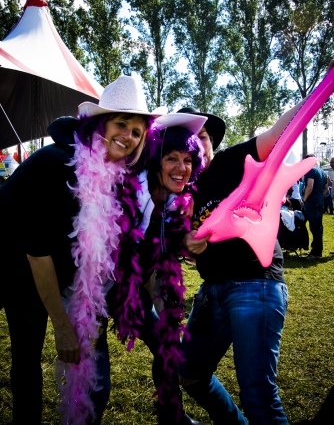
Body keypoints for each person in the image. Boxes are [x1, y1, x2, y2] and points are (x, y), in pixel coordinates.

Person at [0, 75, 162, 425]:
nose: (129, 137)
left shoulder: (114, 173)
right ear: (98, 124)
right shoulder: (55, 163)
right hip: (14, 265)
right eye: (122, 124)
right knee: (27, 357)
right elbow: (36, 252)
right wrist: (62, 324)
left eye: (137, 131)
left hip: (48, 266)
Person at [175, 99, 316, 424]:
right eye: (187, 141)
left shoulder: (230, 162)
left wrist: (323, 86)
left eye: (203, 138)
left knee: (258, 396)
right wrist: (187, 243)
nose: (196, 146)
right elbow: (180, 240)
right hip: (212, 294)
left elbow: (279, 133)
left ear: (212, 143)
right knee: (190, 374)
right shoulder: (182, 186)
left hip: (256, 283)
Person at [110, 113, 208, 425]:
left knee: (168, 343)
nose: (182, 168)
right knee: (161, 341)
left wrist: (189, 242)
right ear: (155, 161)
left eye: (188, 160)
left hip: (145, 281)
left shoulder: (175, 200)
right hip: (110, 288)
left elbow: (172, 247)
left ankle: (172, 415)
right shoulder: (128, 194)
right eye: (172, 159)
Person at [302, 155, 328, 260]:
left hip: (312, 203)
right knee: (318, 227)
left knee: (315, 228)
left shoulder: (310, 170)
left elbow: (310, 186)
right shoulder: (321, 171)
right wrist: (319, 195)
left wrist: (305, 198)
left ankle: (316, 252)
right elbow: (326, 189)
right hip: (319, 202)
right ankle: (317, 250)